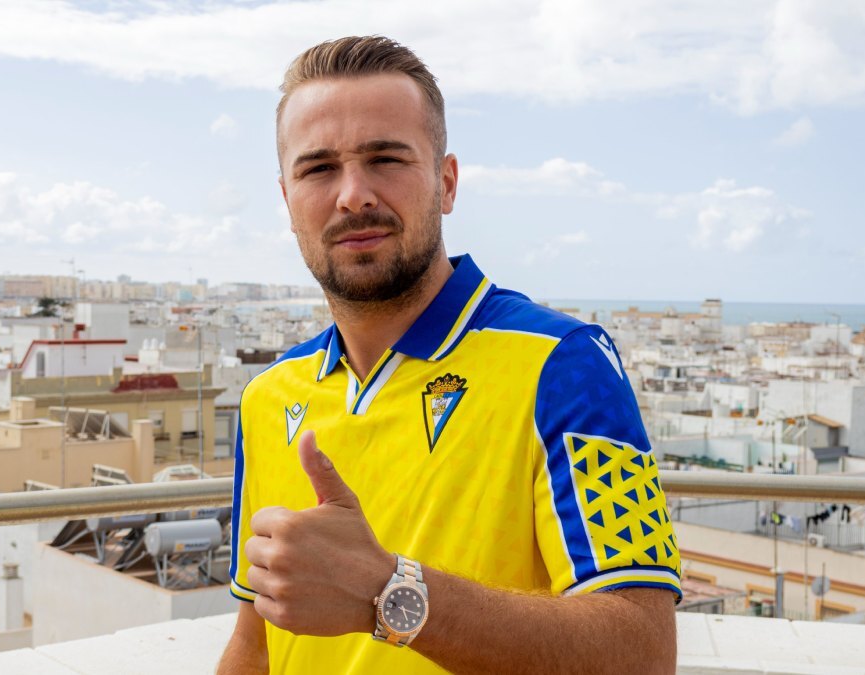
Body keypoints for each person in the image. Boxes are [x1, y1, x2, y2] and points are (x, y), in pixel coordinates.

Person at [218, 36, 681, 674]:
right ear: (287, 200)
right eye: (318, 169)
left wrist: (388, 592)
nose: (353, 194)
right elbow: (256, 642)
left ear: (446, 182)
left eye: (385, 158)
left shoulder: (565, 365)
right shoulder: (268, 397)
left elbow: (642, 652)